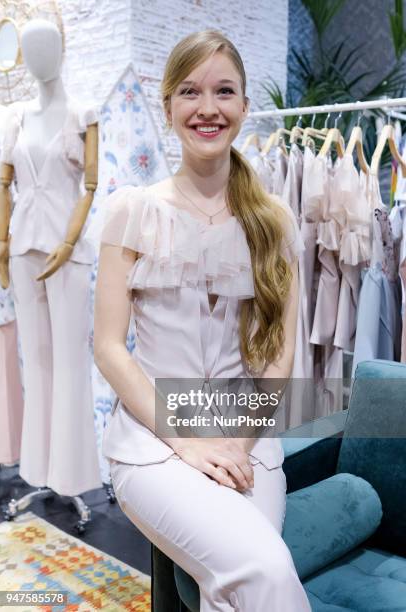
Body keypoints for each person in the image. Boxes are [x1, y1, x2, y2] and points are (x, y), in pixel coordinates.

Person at [94, 29, 311, 612]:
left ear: (244, 105)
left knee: (232, 591)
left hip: (250, 439)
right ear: (168, 106)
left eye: (224, 91)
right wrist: (187, 441)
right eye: (190, 91)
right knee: (263, 568)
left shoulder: (276, 221)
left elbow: (280, 355)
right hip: (152, 441)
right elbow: (109, 347)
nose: (207, 108)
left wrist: (236, 444)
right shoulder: (132, 211)